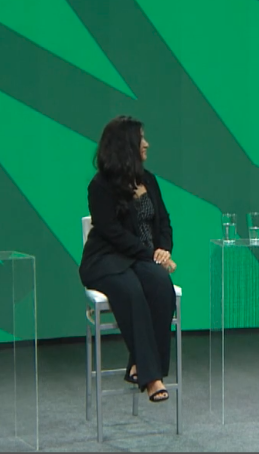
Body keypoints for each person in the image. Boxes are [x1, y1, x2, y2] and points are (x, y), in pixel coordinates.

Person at [80, 115, 177, 402]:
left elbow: (164, 222)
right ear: (126, 146)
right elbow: (112, 233)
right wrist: (150, 253)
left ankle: (139, 364)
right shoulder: (100, 186)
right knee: (133, 292)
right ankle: (152, 378)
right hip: (106, 259)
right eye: (141, 139)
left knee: (162, 287)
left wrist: (163, 249)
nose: (146, 144)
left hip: (140, 260)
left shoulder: (149, 180)